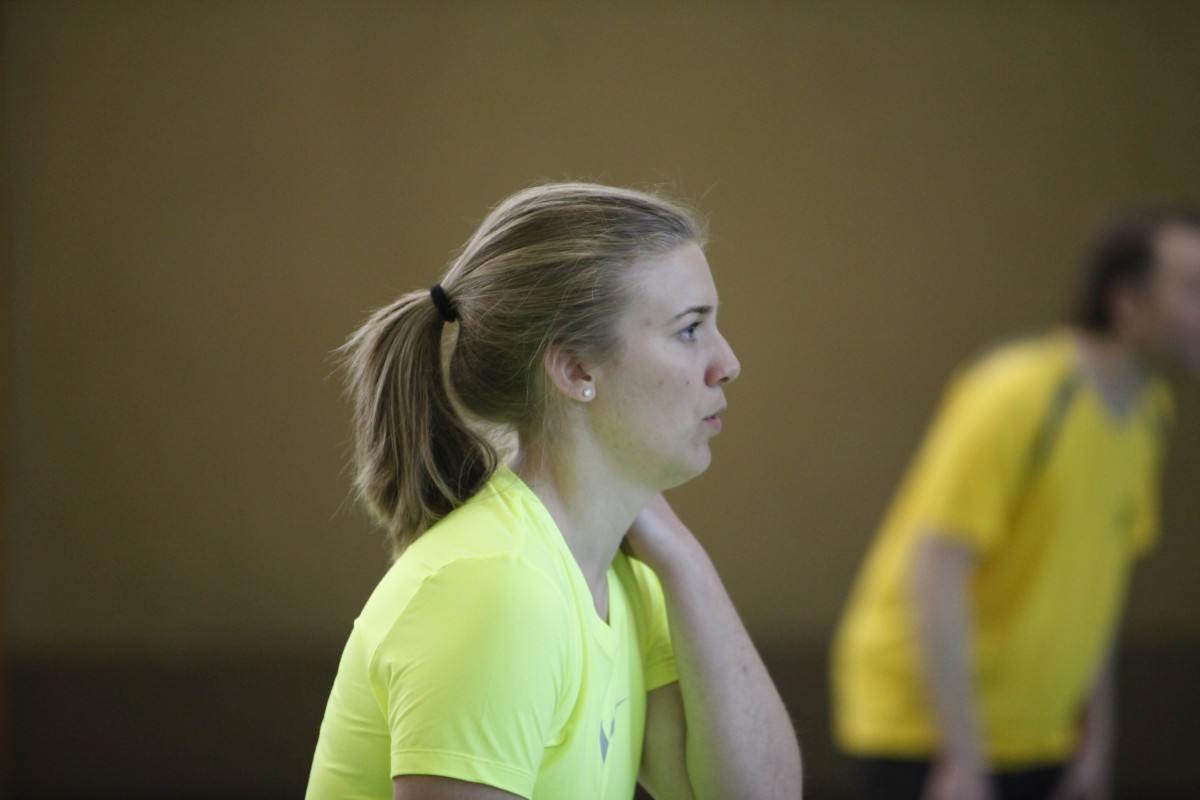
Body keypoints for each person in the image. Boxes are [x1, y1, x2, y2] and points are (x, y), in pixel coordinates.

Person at [305, 182, 802, 800]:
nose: (727, 363)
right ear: (575, 370)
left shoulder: (622, 574)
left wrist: (682, 557)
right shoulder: (497, 586)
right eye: (690, 329)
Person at [830, 204, 1200, 800]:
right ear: (1126, 302)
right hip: (926, 734)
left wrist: (1095, 735)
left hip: (1039, 735)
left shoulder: (1151, 415)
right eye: (1192, 289)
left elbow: (1099, 584)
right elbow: (936, 573)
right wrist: (962, 760)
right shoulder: (1019, 393)